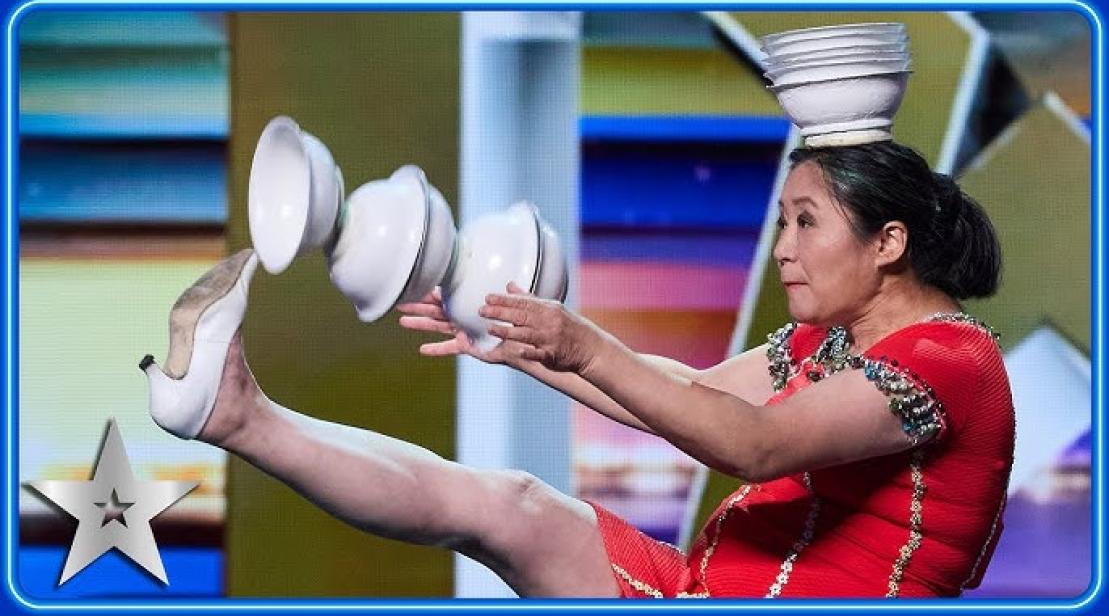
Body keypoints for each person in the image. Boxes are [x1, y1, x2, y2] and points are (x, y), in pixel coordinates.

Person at [142, 140, 1014, 598]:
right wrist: (521, 342)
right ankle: (235, 413)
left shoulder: (949, 357)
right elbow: (689, 397)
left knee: (510, 510)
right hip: (704, 587)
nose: (784, 250)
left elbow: (751, 445)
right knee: (508, 504)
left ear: (888, 242)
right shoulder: (832, 340)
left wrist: (581, 345)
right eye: (780, 223)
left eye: (805, 223)